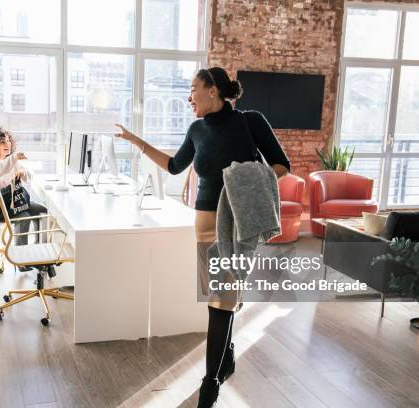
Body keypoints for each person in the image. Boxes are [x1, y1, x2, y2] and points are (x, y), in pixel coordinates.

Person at [116, 67, 290, 407]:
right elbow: (173, 165)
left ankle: (209, 384)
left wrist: (245, 184)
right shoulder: (196, 130)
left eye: (193, 88)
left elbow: (282, 166)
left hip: (238, 221)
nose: (189, 96)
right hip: (204, 222)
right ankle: (226, 358)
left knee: (220, 301)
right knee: (220, 295)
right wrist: (137, 142)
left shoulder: (250, 121)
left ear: (213, 90)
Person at [0, 128, 47, 264]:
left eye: (8, 141)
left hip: (11, 204)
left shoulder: (10, 160)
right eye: (2, 142)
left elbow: (29, 176)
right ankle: (21, 259)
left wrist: (22, 172)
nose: (7, 144)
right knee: (24, 217)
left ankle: (39, 248)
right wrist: (14, 158)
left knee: (41, 210)